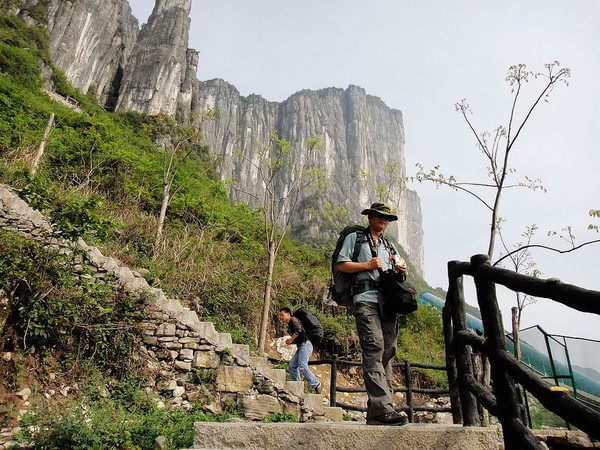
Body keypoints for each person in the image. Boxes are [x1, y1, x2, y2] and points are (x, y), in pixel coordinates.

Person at [336, 202, 409, 425]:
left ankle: (378, 408)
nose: (383, 220)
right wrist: (367, 265)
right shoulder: (356, 239)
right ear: (370, 217)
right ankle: (382, 407)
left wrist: (401, 271)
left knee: (389, 348)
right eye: (379, 216)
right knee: (374, 347)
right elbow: (342, 265)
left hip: (387, 303)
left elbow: (399, 276)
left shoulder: (389, 246)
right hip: (365, 300)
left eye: (387, 218)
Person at [279, 307, 323, 394]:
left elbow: (298, 330)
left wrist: (291, 339)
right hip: (302, 345)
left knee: (302, 365)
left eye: (282, 315)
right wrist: (291, 341)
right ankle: (297, 387)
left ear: (288, 314)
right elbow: (299, 333)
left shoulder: (293, 320)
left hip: (306, 344)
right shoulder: (291, 323)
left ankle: (317, 384)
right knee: (292, 365)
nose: (281, 317)